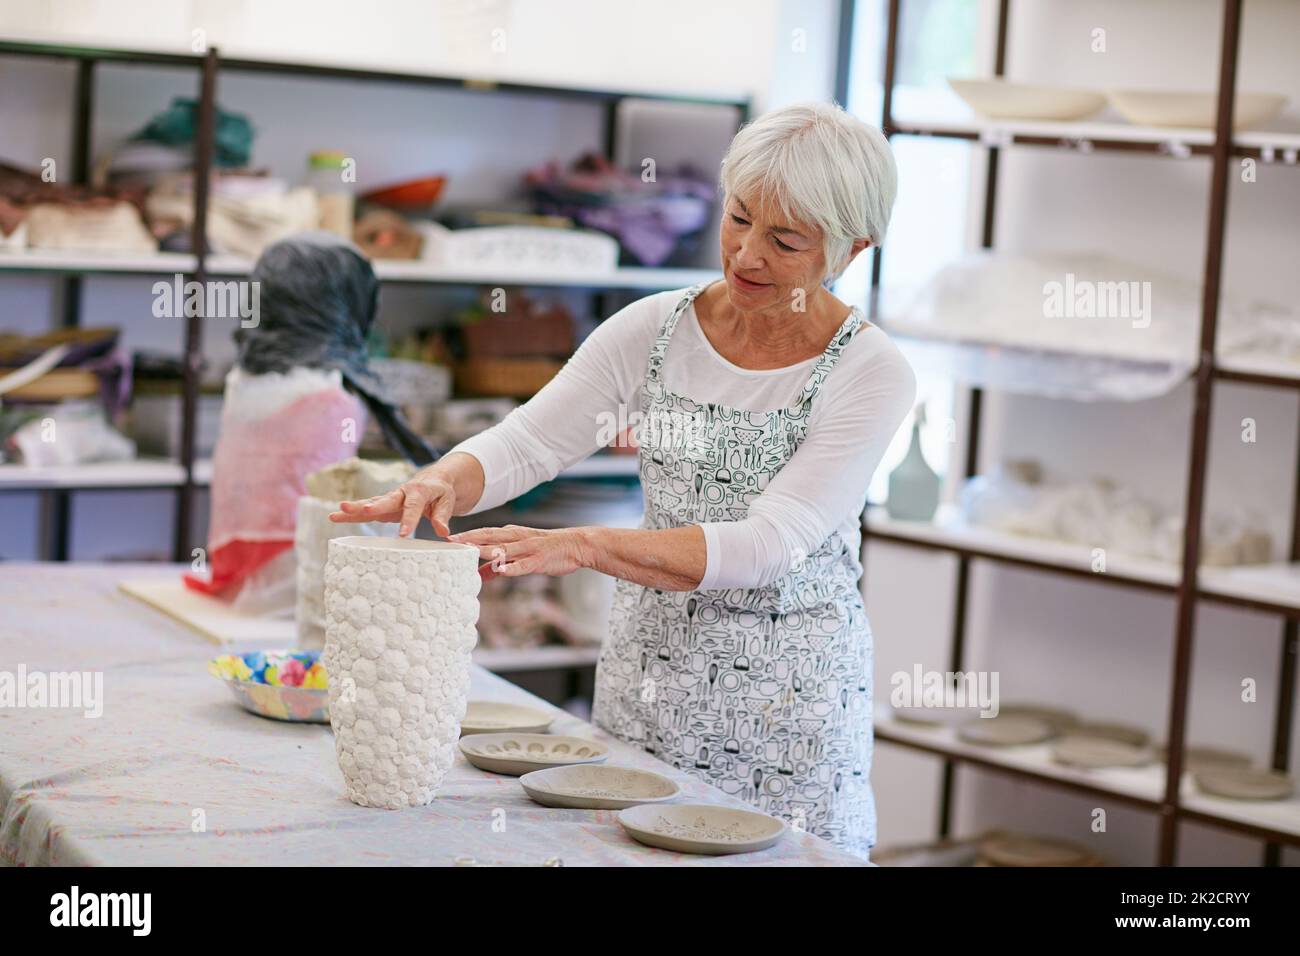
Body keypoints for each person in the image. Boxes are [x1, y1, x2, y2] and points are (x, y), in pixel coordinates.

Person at [332, 102, 916, 859]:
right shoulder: (657, 328)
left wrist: (583, 546)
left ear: (852, 247)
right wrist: (443, 479)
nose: (745, 254)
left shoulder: (870, 372)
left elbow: (771, 543)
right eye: (738, 218)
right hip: (649, 678)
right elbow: (535, 438)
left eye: (786, 240)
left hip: (787, 708)